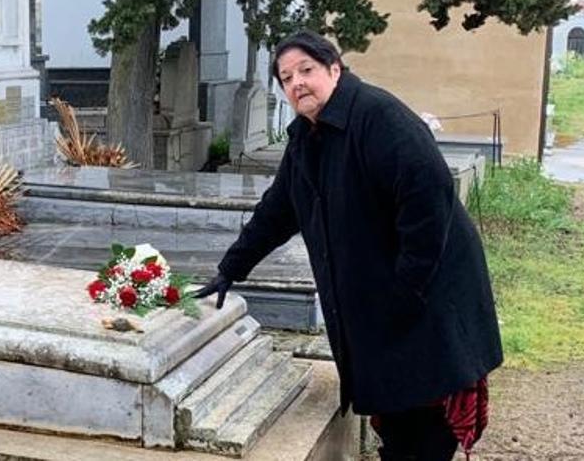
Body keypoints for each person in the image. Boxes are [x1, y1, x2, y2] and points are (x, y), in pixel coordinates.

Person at [195, 30, 502, 461]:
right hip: (387, 305)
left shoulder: (379, 117)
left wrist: (406, 288)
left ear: (334, 69)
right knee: (398, 422)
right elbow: (280, 207)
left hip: (428, 300)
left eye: (307, 70)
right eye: (286, 77)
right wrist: (231, 268)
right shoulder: (306, 135)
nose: (297, 82)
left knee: (426, 423)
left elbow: (429, 200)